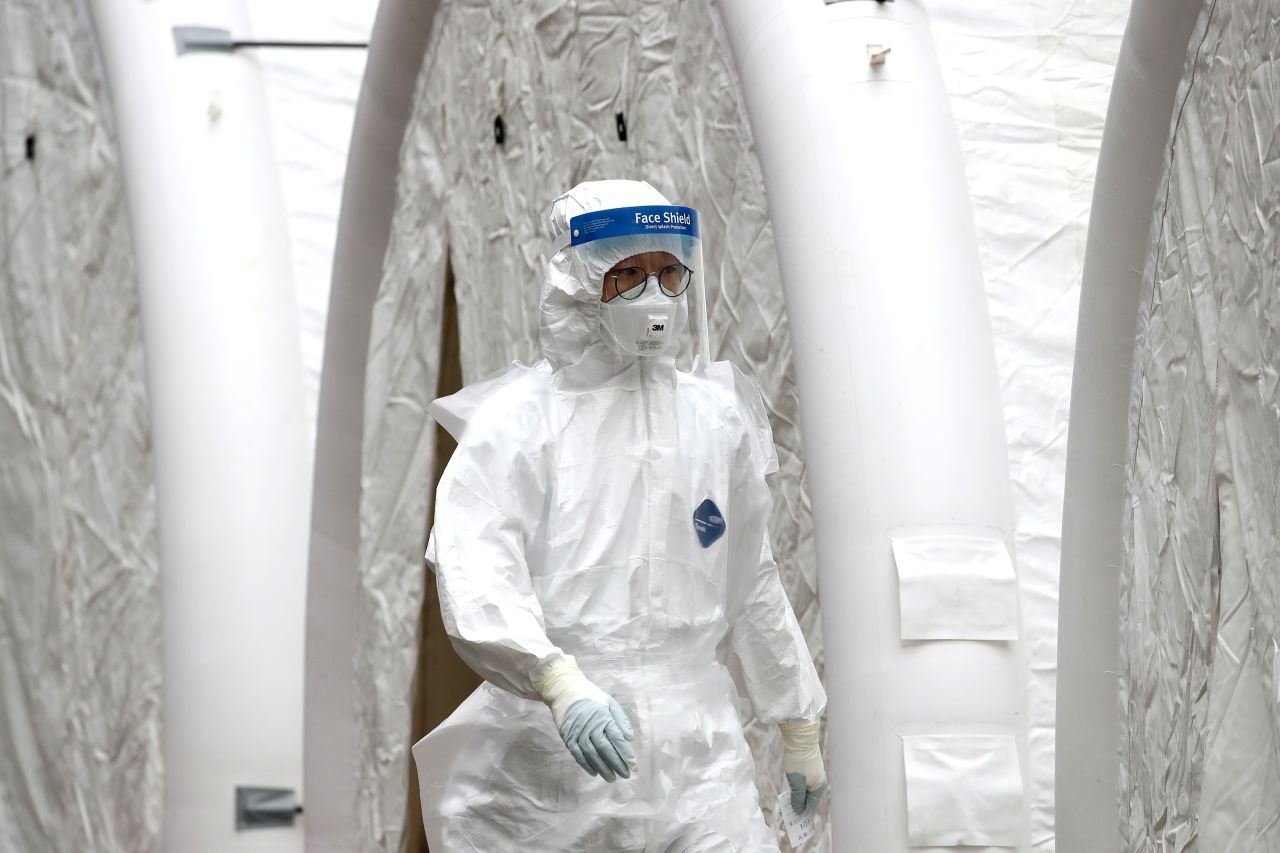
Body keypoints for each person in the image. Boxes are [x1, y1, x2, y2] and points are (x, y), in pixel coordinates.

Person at [413, 179, 827, 853]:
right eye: (628, 275)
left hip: (698, 757)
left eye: (668, 272)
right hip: (554, 762)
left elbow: (750, 576)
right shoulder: (522, 425)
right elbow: (476, 565)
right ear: (580, 282)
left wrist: (797, 722)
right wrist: (556, 679)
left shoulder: (715, 420)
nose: (654, 295)